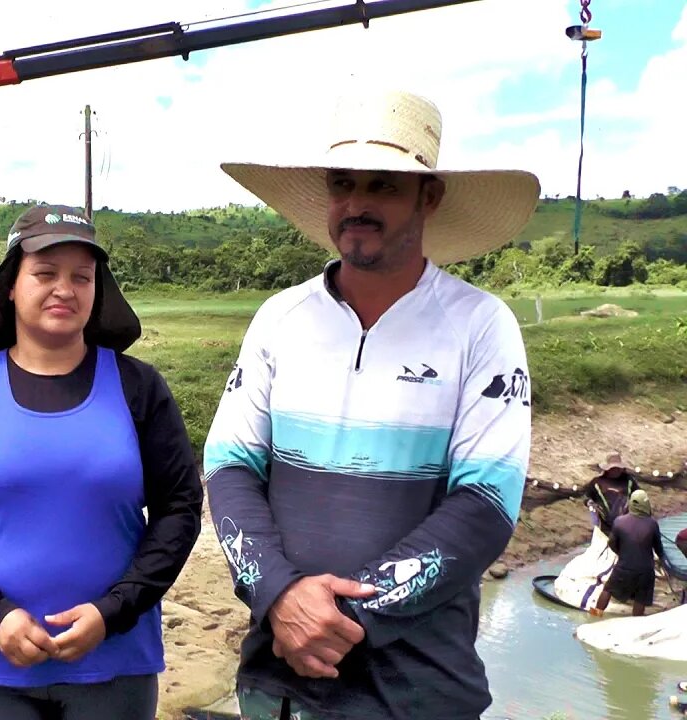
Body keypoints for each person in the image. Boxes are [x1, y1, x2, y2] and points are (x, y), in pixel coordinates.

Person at [203, 89, 540, 720]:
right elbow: (229, 468)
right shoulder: (281, 318)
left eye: (383, 185)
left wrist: (338, 615)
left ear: (429, 196)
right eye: (342, 183)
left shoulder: (480, 326)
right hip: (276, 684)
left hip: (420, 690)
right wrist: (279, 595)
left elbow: (487, 504)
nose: (357, 204)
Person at [0, 205, 203, 720]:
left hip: (115, 663)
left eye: (82, 277)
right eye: (44, 273)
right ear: (11, 286)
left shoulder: (138, 388)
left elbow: (179, 509)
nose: (65, 288)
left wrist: (114, 612)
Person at [591, 489, 666, 617]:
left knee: (608, 589)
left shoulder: (619, 521)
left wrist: (622, 554)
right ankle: (635, 625)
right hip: (645, 571)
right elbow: (658, 548)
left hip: (624, 568)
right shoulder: (652, 524)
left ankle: (595, 615)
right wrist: (663, 564)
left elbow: (612, 543)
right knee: (640, 598)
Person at [584, 451, 641, 537]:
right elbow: (587, 497)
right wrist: (589, 502)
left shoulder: (629, 480)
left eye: (618, 468)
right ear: (607, 469)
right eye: (613, 468)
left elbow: (639, 494)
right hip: (605, 526)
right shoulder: (597, 482)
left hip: (628, 525)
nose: (616, 470)